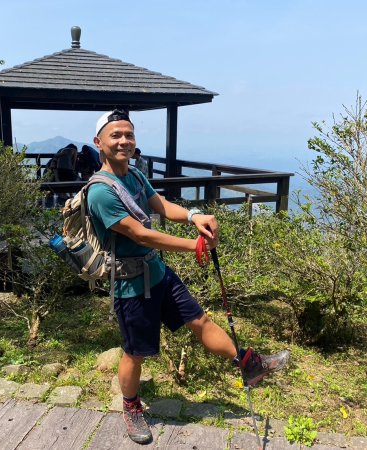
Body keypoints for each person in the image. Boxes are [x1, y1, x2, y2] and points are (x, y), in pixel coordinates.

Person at [87, 109, 290, 445]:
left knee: (201, 322)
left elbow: (162, 206)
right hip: (130, 285)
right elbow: (140, 234)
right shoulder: (100, 191)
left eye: (129, 135)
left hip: (158, 273)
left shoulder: (135, 176)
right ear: (99, 142)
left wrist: (195, 215)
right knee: (134, 353)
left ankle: (249, 364)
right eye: (115, 135)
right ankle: (131, 406)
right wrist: (193, 245)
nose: (124, 141)